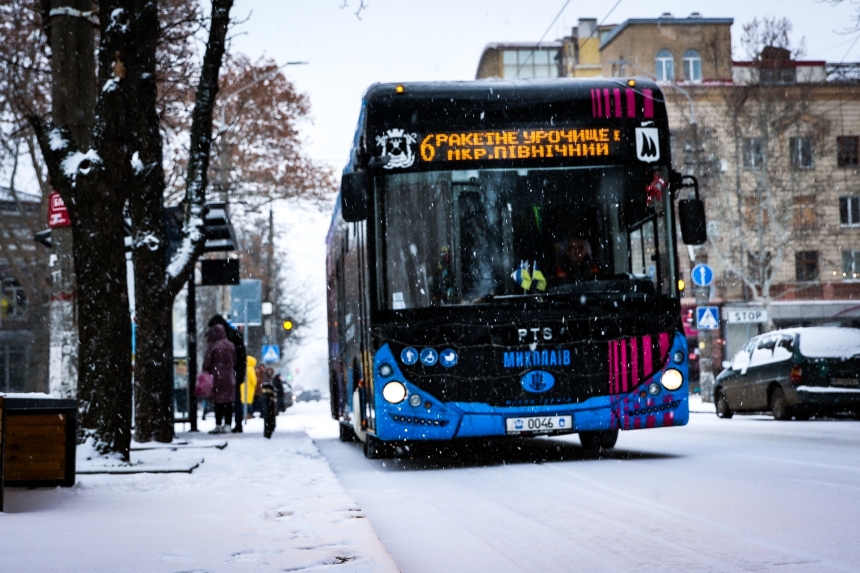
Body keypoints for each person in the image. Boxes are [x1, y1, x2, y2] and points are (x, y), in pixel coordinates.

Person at [207, 315, 247, 433]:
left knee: (219, 400)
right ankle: (236, 424)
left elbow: (209, 360)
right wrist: (239, 373)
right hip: (233, 374)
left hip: (220, 375)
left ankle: (220, 424)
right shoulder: (235, 336)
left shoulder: (216, 341)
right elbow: (241, 357)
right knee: (234, 400)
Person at [201, 323, 236, 434]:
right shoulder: (231, 345)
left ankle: (218, 424)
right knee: (229, 401)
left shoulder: (214, 346)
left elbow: (207, 363)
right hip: (229, 377)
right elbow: (235, 361)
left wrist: (208, 369)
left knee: (218, 402)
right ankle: (228, 425)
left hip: (217, 377)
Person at [241, 355, 258, 420]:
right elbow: (253, 379)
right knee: (249, 402)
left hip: (242, 387)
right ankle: (249, 414)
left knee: (243, 402)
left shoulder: (243, 368)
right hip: (249, 388)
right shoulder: (251, 369)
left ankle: (244, 414)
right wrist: (255, 384)